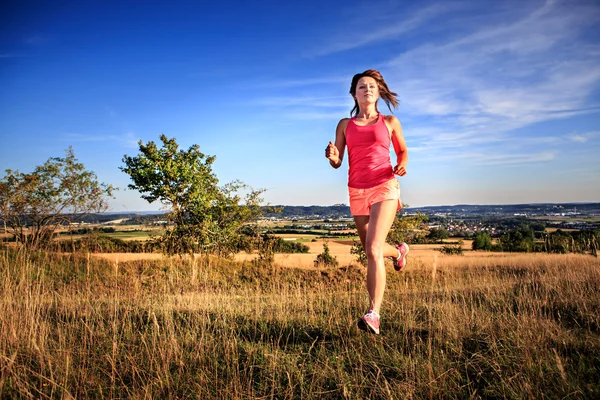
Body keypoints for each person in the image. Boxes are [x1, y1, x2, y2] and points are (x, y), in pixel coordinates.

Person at [325, 69, 409, 335]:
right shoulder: (344, 125)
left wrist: (402, 164)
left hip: (385, 186)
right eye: (362, 86)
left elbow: (403, 149)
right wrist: (332, 155)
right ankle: (398, 252)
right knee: (371, 249)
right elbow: (338, 163)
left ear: (378, 91)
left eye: (371, 86)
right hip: (356, 190)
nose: (367, 89)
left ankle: (374, 313)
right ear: (354, 94)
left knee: (373, 248)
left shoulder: (390, 121)